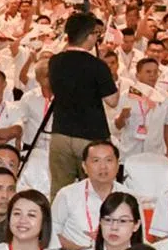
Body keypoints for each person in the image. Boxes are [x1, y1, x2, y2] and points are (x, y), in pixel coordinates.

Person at [47, 12, 119, 196]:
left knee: (59, 191)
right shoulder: (97, 65)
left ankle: (57, 224)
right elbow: (113, 100)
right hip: (90, 136)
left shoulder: (54, 61)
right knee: (95, 190)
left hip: (60, 133)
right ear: (90, 36)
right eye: (96, 34)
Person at [52, 140, 130, 250]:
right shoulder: (67, 194)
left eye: (109, 160)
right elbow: (52, 233)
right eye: (96, 161)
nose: (103, 166)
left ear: (118, 165)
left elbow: (138, 236)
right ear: (84, 166)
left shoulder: (129, 197)